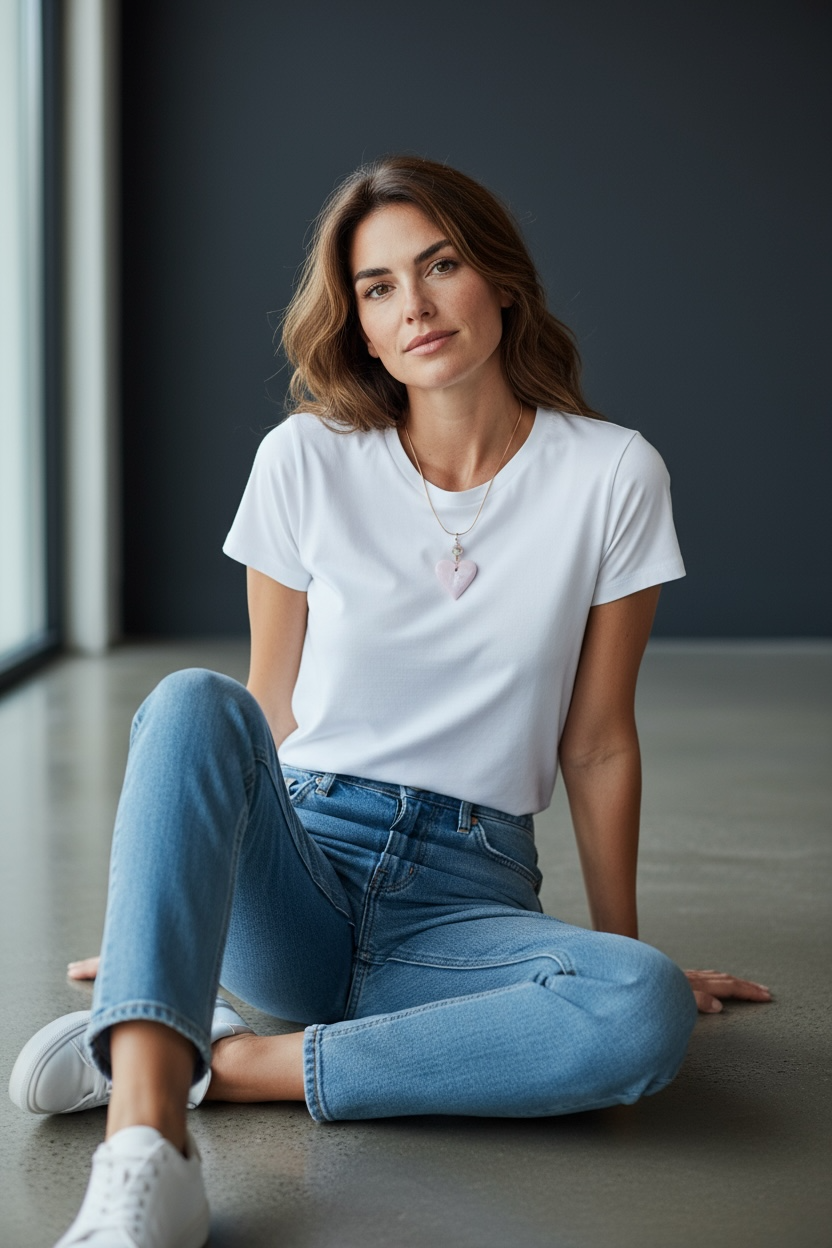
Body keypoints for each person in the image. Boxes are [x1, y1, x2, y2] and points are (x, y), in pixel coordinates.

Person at [9, 156, 770, 1248]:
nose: (412, 307)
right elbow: (259, 707)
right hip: (297, 873)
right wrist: (165, 908)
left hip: (464, 902)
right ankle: (147, 1141)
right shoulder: (304, 461)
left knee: (637, 1009)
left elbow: (597, 744)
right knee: (191, 697)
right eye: (375, 287)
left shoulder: (612, 475)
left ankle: (196, 1055)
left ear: (500, 281)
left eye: (440, 265)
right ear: (358, 325)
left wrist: (627, 947)